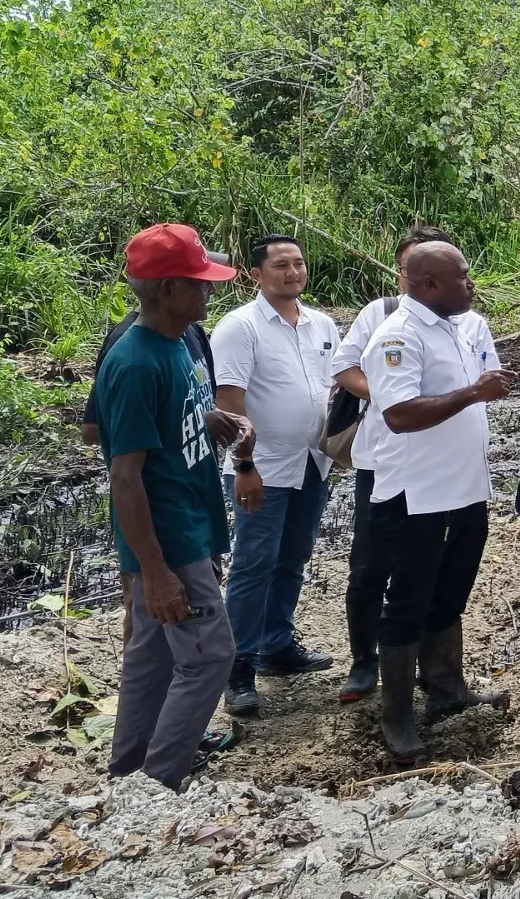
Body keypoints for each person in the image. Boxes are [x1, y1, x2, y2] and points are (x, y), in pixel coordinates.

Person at [98, 224, 248, 790]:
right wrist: (156, 573)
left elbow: (168, 421)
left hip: (189, 524)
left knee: (153, 655)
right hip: (168, 539)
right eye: (200, 282)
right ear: (167, 290)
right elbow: (125, 477)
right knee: (210, 657)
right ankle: (159, 782)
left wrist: (209, 418)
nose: (210, 291)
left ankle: (127, 775)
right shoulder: (135, 363)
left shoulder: (180, 342)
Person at [364, 241, 514, 762]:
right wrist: (472, 393)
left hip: (465, 489)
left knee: (450, 594)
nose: (471, 284)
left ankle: (446, 688)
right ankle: (397, 716)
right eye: (462, 276)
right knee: (407, 602)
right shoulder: (399, 336)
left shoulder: (453, 326)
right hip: (418, 495)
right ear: (429, 284)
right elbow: (400, 413)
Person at [211, 235, 342, 718]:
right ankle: (238, 666)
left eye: (299, 263)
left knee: (293, 557)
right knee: (254, 562)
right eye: (281, 265)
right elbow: (230, 401)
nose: (293, 272)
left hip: (312, 460)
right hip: (262, 466)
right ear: (256, 274)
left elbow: (335, 385)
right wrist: (244, 465)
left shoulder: (321, 324)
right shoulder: (240, 327)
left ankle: (277, 645)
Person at [328, 225, 457, 703]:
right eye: (407, 268)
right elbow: (344, 367)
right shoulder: (382, 315)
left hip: (437, 465)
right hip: (380, 459)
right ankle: (364, 662)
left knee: (429, 566)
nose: (415, 277)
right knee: (370, 563)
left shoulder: (460, 320)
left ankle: (433, 669)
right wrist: (389, 393)